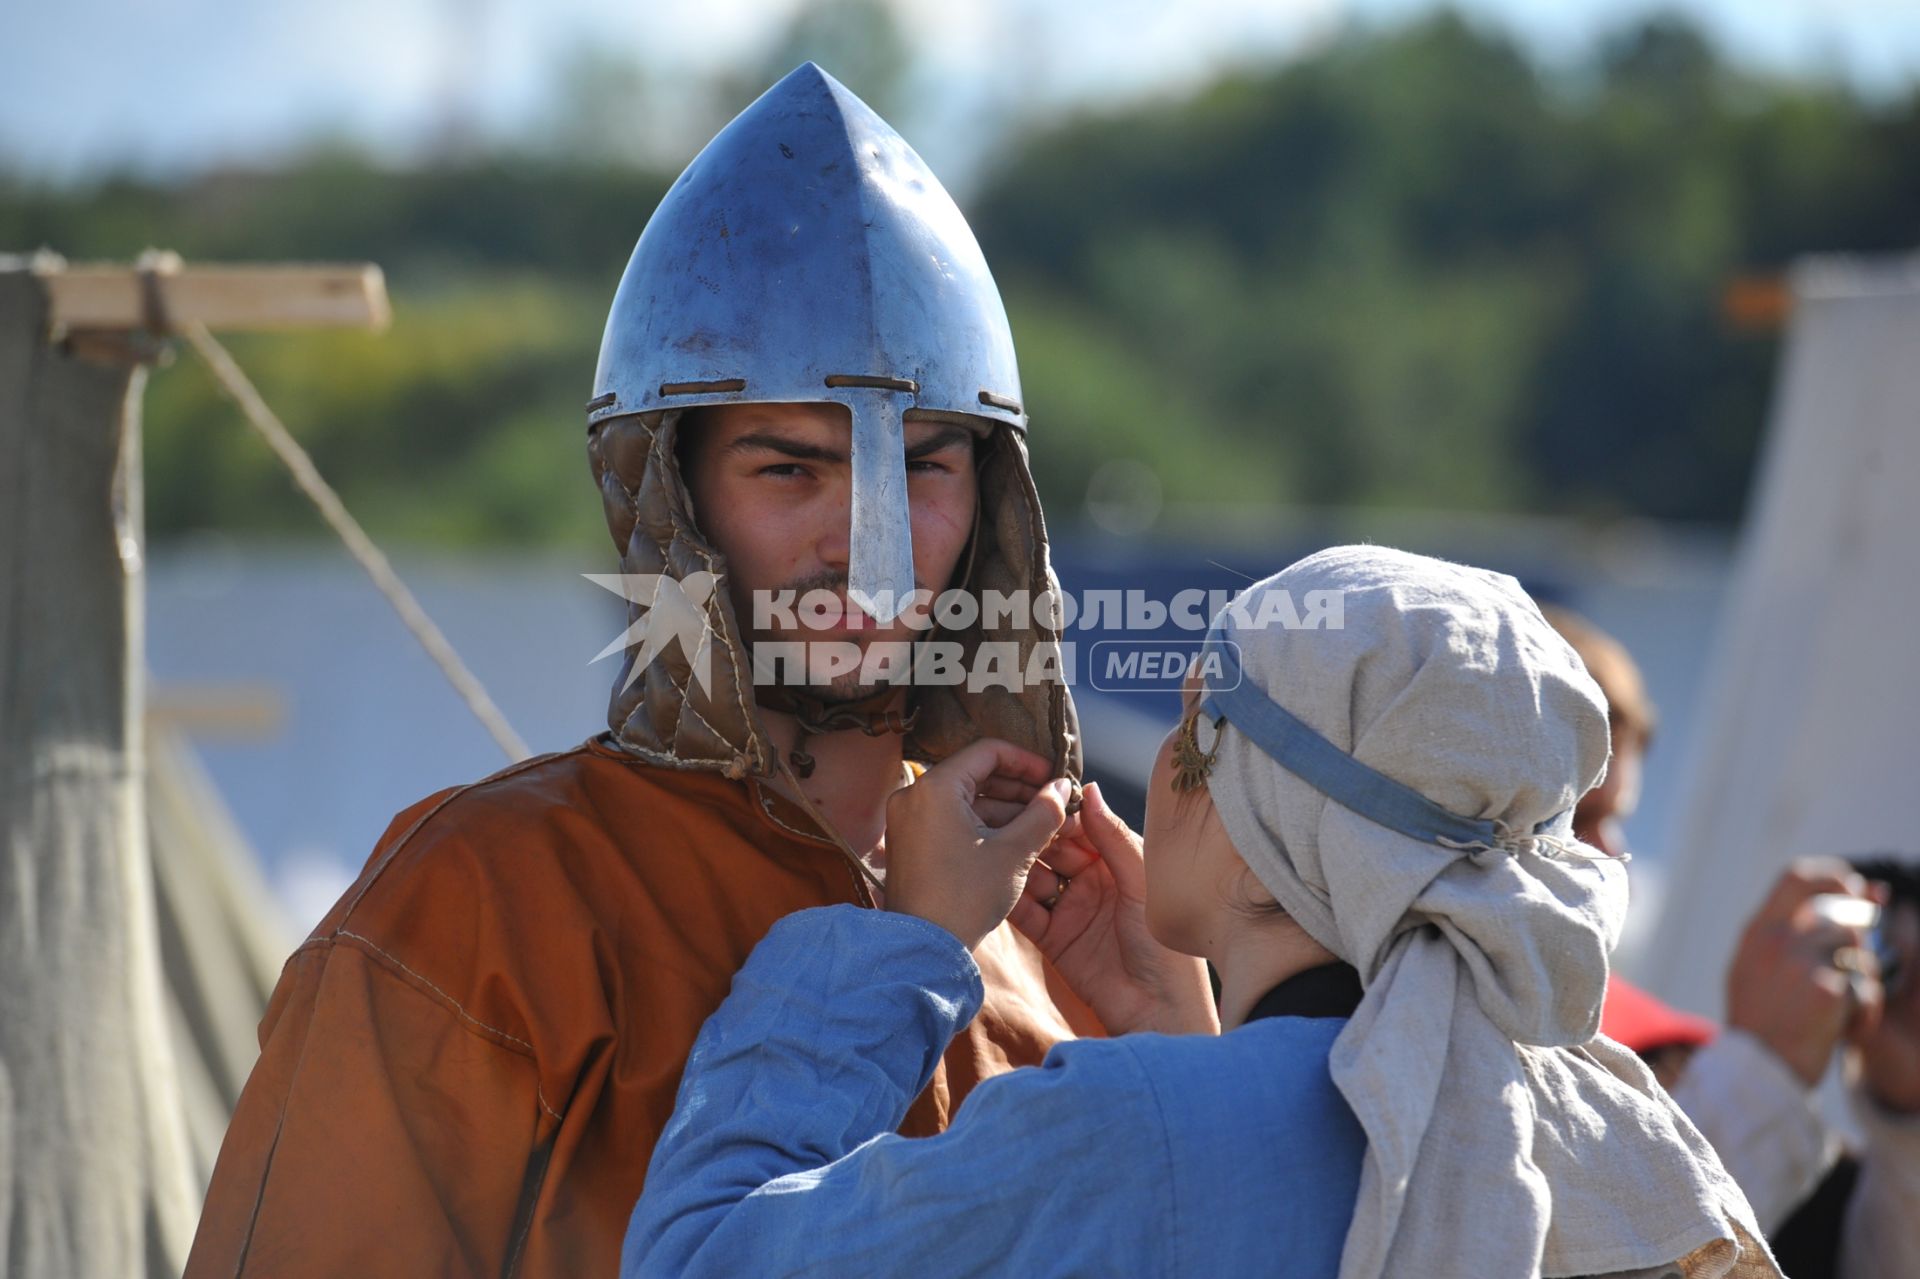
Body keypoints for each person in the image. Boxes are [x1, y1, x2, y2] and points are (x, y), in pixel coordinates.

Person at [184, 64, 1113, 1276]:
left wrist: (1179, 1036)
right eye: (790, 469)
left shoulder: (1051, 950)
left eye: (925, 466)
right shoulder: (484, 908)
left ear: (991, 499)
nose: (872, 550)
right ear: (669, 498)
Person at [625, 546, 1781, 1279]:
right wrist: (1193, 1041)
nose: (1168, 760)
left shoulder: (1119, 1130)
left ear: (1276, 825)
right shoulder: (1614, 1137)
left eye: (1197, 721)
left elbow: (700, 1261)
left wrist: (901, 943)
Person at [1544, 607, 1920, 1279]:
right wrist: (1762, 1075)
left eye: (1618, 819)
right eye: (1574, 818)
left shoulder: (1663, 1053)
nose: (1608, 859)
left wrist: (1906, 1113)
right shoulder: (1370, 1037)